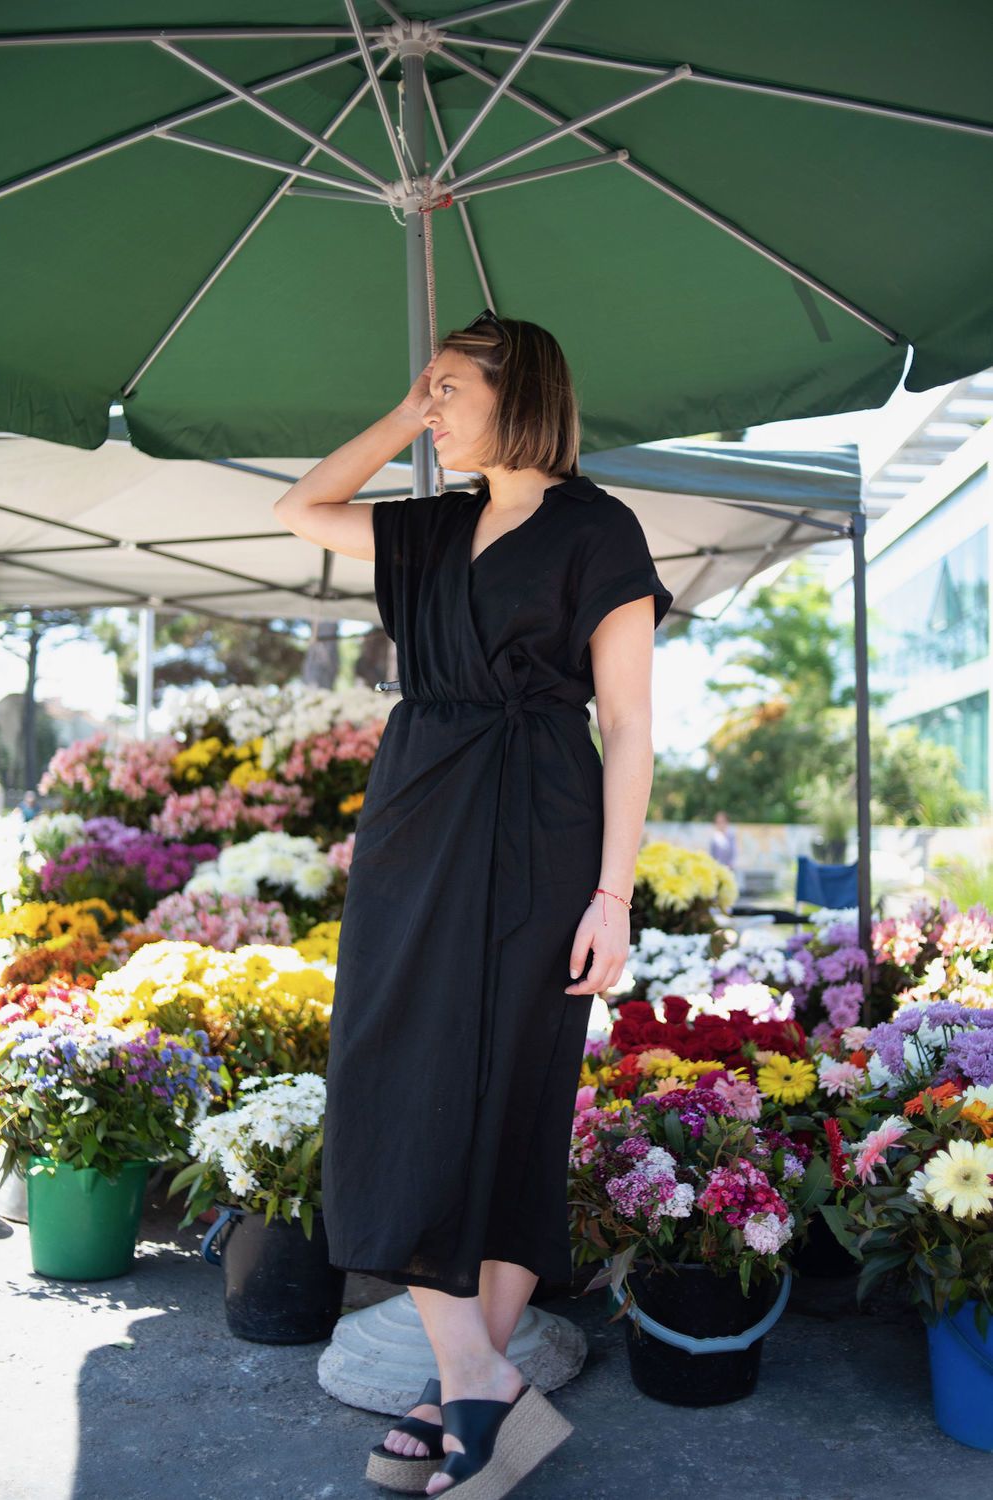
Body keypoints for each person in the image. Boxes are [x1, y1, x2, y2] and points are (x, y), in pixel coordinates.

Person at [274, 312, 673, 1499]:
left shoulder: (600, 531)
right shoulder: (434, 523)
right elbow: (302, 507)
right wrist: (401, 415)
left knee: (512, 1092)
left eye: (452, 391)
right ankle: (478, 1383)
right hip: (416, 820)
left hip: (542, 823)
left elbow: (634, 730)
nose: (435, 408)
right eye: (430, 391)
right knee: (394, 1073)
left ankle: (468, 1385)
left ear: (522, 394)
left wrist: (614, 895)